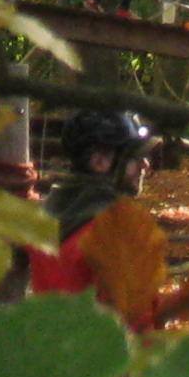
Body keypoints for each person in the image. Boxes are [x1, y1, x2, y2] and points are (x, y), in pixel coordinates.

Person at [29, 107, 160, 327]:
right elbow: (140, 322)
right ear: (99, 162)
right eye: (134, 157)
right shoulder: (116, 232)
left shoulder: (43, 221)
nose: (145, 164)